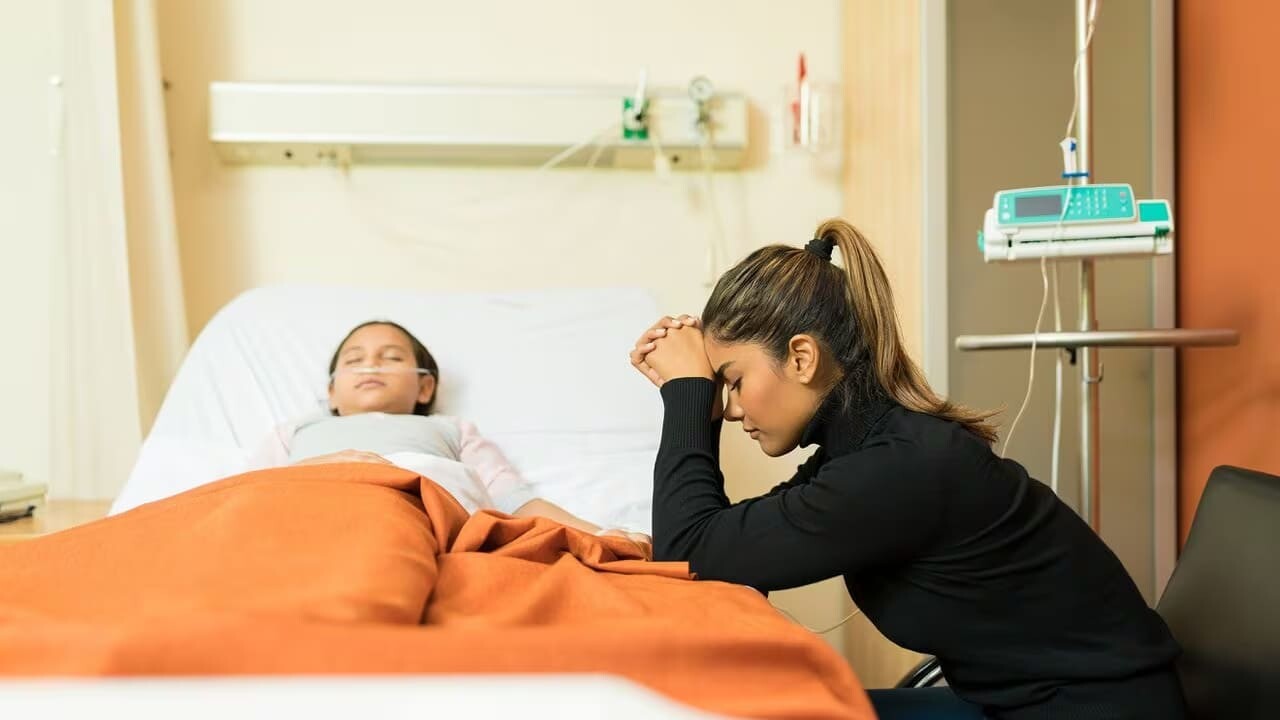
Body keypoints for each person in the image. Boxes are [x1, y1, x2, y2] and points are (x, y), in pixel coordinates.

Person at [629, 219, 1185, 719]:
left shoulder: (897, 470)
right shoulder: (868, 447)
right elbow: (720, 546)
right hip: (1015, 702)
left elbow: (691, 554)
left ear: (801, 358)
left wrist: (686, 395)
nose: (730, 406)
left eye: (732, 381)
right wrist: (696, 400)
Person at [252, 320, 649, 549]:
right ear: (331, 392)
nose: (371, 364)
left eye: (391, 357)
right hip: (316, 512)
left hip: (424, 514)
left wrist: (599, 535)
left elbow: (513, 499)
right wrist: (327, 468)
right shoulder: (298, 431)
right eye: (354, 360)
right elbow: (244, 492)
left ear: (425, 388)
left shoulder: (449, 430)